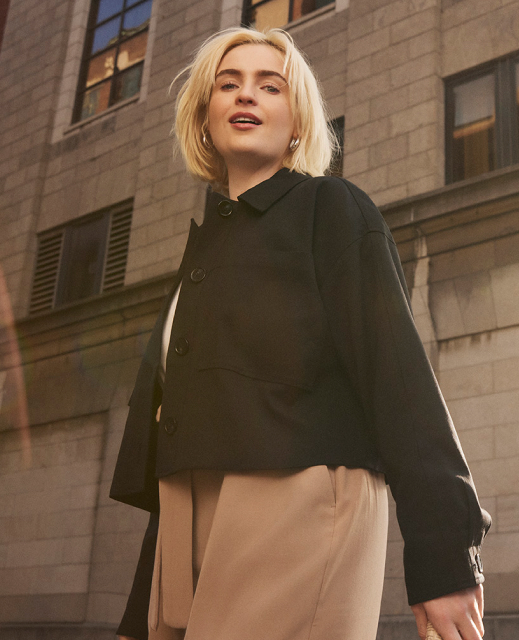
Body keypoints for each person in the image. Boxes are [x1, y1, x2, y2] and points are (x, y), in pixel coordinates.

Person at [111, 26, 490, 640]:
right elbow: (182, 431)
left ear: (297, 123)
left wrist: (445, 557)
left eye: (270, 86)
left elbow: (397, 376)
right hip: (186, 515)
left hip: (300, 500)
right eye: (227, 85)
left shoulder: (332, 209)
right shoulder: (201, 256)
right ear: (204, 117)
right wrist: (140, 610)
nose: (246, 96)